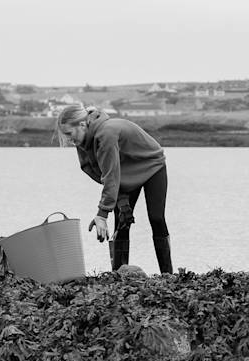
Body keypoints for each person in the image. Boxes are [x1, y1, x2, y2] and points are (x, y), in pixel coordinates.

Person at [55, 104, 172, 273]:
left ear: (81, 125)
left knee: (156, 218)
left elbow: (110, 175)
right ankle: (118, 274)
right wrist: (121, 198)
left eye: (68, 134)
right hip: (123, 170)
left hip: (152, 165)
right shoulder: (82, 140)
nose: (67, 139)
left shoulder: (106, 134)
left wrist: (102, 214)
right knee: (122, 219)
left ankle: (167, 275)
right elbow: (97, 171)